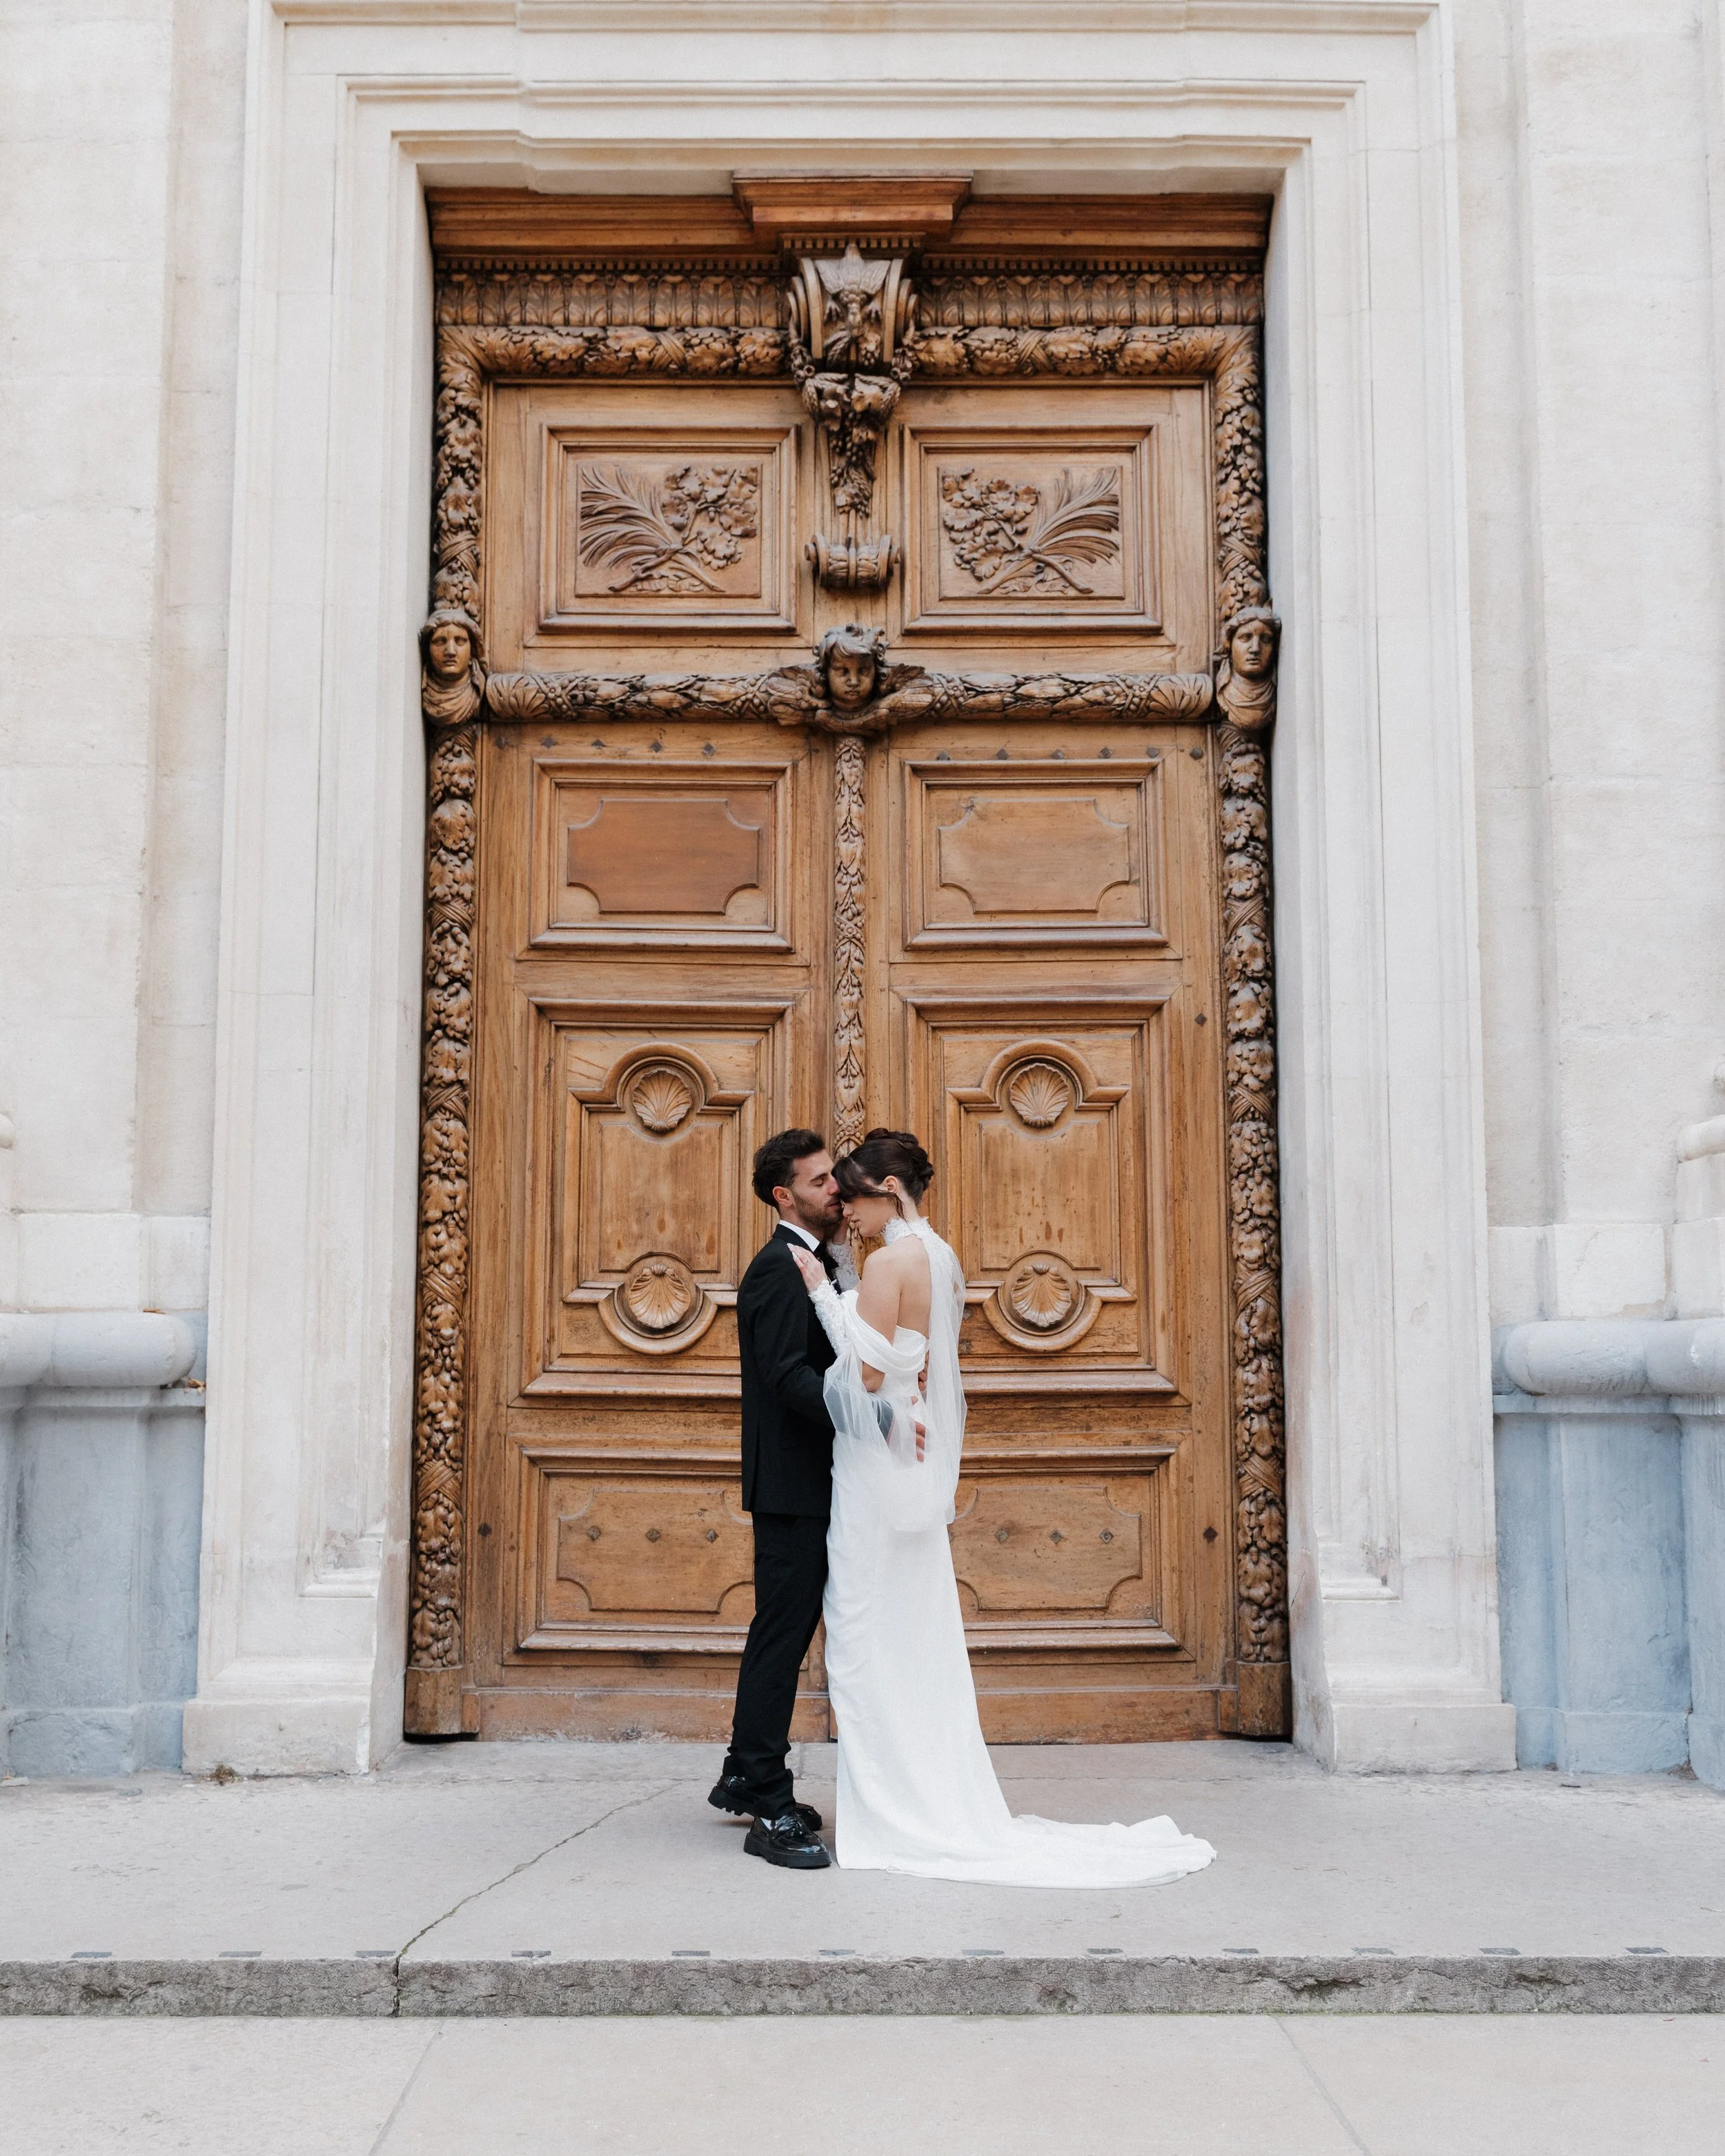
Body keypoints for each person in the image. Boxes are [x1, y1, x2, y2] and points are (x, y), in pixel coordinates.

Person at [785, 1128, 1218, 1889]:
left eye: (853, 1195)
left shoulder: (886, 1263)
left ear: (889, 1189)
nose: (845, 1209)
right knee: (912, 1625)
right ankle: (927, 1797)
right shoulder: (941, 1256)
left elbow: (863, 1379)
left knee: (864, 1632)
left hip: (878, 1460)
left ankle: (895, 1814)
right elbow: (913, 1358)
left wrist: (823, 1293)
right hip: (909, 1450)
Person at [708, 1129, 857, 1870]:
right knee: (782, 1635)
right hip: (794, 1487)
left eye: (834, 1176)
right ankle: (766, 1796)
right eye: (820, 1178)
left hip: (819, 1481)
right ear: (783, 1194)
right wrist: (864, 1412)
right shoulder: (775, 1267)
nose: (836, 1187)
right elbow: (785, 1374)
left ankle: (745, 1770)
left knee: (785, 1632)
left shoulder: (818, 1260)